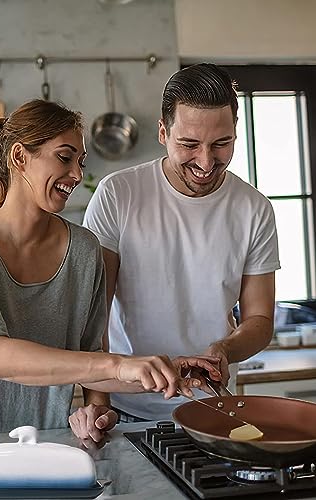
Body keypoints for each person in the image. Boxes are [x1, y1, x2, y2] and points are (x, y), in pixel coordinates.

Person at [0, 99, 221, 440]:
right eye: (64, 157)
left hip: (39, 444)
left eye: (80, 162)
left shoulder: (85, 250)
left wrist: (149, 378)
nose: (76, 174)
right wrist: (120, 364)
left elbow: (90, 360)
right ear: (19, 157)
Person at [83, 63, 280, 425]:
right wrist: (97, 404)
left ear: (236, 131)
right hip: (130, 412)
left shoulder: (254, 209)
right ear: (162, 132)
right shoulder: (118, 194)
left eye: (222, 144)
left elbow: (260, 319)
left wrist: (225, 349)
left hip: (214, 408)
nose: (206, 162)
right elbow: (95, 316)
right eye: (189, 144)